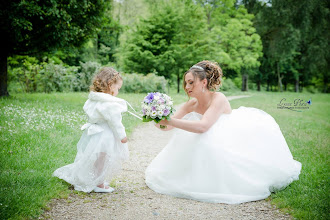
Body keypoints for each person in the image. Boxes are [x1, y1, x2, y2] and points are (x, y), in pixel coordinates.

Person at [145, 60, 301, 204]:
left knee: (205, 140)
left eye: (191, 82)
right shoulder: (190, 104)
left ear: (204, 82)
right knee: (194, 142)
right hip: (207, 140)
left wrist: (171, 121)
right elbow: (167, 127)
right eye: (186, 83)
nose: (187, 87)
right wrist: (157, 117)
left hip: (230, 139)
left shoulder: (218, 98)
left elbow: (203, 127)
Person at [53, 67, 129, 193]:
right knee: (102, 161)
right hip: (106, 135)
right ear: (110, 85)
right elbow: (116, 123)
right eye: (118, 88)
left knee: (97, 159)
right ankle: (98, 184)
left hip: (95, 134)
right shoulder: (109, 104)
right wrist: (122, 136)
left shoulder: (93, 99)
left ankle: (94, 179)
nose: (118, 92)